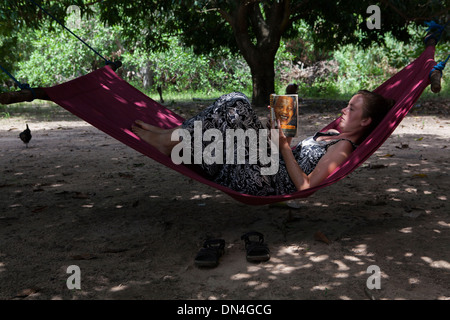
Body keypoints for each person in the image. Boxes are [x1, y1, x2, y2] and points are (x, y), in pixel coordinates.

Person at [131, 90, 394, 196]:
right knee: (234, 104)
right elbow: (290, 155)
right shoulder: (334, 135)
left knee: (238, 106)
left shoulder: (343, 148)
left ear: (365, 121)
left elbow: (304, 185)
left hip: (264, 179)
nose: (343, 110)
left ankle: (171, 138)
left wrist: (281, 147)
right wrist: (279, 138)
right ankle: (172, 137)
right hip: (267, 162)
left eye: (351, 108)